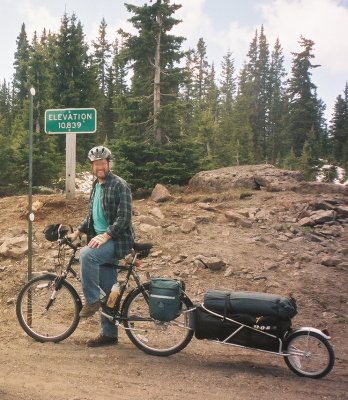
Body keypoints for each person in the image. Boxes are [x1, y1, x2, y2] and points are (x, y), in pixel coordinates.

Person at [70, 145, 134, 347]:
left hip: (116, 240)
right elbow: (92, 213)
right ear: (93, 166)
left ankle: (91, 300)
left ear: (108, 163)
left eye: (103, 163)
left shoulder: (120, 185)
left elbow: (124, 218)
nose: (99, 167)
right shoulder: (96, 185)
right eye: (96, 164)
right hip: (99, 238)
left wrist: (106, 236)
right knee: (108, 290)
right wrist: (79, 231)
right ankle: (109, 335)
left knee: (87, 255)